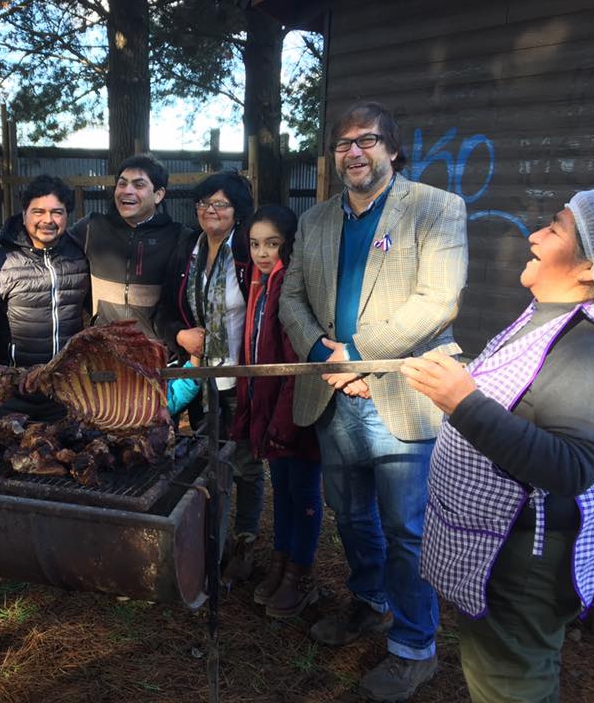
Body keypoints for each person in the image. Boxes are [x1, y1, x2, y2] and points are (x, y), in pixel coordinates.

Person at [279, 101, 468, 701]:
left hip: (399, 392)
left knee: (406, 529)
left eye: (367, 141)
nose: (354, 152)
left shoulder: (437, 209)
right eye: (343, 145)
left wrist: (355, 354)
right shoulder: (313, 222)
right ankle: (370, 602)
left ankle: (416, 648)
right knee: (351, 515)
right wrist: (320, 350)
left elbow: (438, 301)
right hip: (333, 393)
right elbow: (291, 296)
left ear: (392, 149)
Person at [402, 188, 594, 703]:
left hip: (521, 561)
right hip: (497, 542)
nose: (534, 236)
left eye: (555, 229)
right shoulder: (548, 315)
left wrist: (462, 401)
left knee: (513, 682)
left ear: (589, 268)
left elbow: (573, 466)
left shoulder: (589, 346)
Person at [160, 171, 262, 585]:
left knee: (247, 465)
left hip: (242, 374)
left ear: (237, 210)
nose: (210, 212)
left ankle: (245, 544)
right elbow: (171, 307)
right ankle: (210, 544)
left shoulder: (247, 250)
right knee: (211, 462)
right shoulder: (192, 248)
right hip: (203, 374)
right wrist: (180, 336)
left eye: (220, 204)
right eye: (203, 204)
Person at [229, 205, 321, 618]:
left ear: (289, 244)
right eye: (254, 244)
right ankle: (282, 561)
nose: (262, 252)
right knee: (281, 492)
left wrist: (282, 423)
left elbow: (294, 366)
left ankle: (299, 572)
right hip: (271, 410)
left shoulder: (289, 287)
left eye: (272, 243)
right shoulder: (259, 284)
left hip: (295, 413)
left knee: (302, 493)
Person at [0, 174, 88, 420]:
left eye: (57, 212)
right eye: (38, 211)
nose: (47, 220)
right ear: (24, 213)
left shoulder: (79, 257)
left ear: (67, 215)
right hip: (15, 393)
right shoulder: (0, 262)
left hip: (66, 391)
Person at [68, 154, 187, 343]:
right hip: (102, 350)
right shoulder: (91, 227)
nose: (127, 191)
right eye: (122, 184)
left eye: (139, 185)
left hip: (154, 355)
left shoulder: (179, 237)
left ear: (158, 194)